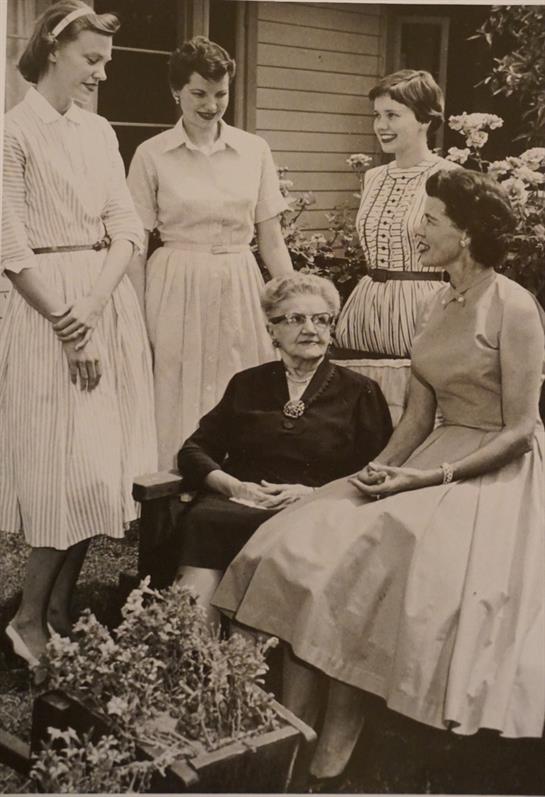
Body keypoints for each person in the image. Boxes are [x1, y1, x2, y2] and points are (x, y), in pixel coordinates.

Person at [214, 169, 545, 786]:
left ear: (467, 235)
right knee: (300, 536)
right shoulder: (433, 303)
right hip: (430, 456)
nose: (417, 229)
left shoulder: (515, 307)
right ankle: (291, 723)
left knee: (382, 550)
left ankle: (338, 738)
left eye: (431, 220)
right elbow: (417, 417)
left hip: (492, 471)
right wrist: (380, 471)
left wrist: (425, 480)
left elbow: (520, 430)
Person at [0, 0, 157, 674]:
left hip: (102, 304)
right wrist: (68, 325)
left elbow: (128, 225)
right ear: (55, 49)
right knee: (62, 471)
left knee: (101, 473)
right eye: (92, 59)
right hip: (46, 318)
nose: (101, 72)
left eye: (106, 61)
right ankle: (28, 618)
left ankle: (60, 609)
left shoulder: (98, 133)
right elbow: (10, 246)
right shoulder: (11, 134)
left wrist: (94, 307)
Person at [176, 273, 392, 624]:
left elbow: (378, 470)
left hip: (312, 512)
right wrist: (233, 486)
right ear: (271, 330)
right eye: (296, 319)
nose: (311, 329)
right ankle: (198, 660)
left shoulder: (359, 391)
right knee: (205, 525)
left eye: (321, 319)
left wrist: (312, 493)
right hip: (234, 506)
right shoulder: (248, 383)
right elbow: (194, 450)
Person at [127, 36, 294, 469]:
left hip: (239, 279)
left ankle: (236, 486)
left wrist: (293, 301)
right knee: (175, 383)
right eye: (199, 93)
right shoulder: (152, 154)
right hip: (175, 279)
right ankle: (173, 489)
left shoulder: (253, 150)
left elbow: (271, 237)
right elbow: (135, 245)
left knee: (238, 379)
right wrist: (136, 313)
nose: (211, 105)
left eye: (220, 94)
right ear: (176, 91)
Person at [335, 69, 457, 357]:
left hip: (422, 311)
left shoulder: (450, 177)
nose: (381, 125)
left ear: (424, 119)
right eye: (377, 115)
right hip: (365, 309)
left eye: (392, 115)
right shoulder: (374, 177)